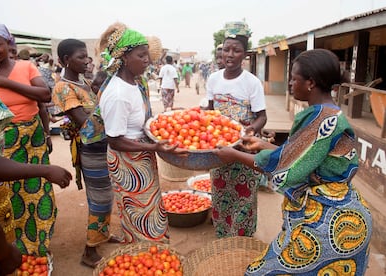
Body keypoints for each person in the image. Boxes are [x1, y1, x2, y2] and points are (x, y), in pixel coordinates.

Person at [214, 49, 373, 275]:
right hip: (346, 212)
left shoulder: (320, 119)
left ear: (310, 83)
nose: (290, 83)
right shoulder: (330, 112)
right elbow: (301, 155)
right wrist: (260, 144)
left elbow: (286, 169)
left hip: (331, 223)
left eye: (294, 78)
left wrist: (234, 155)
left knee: (263, 271)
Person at [0, 22, 71, 276]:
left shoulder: (20, 71)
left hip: (28, 143)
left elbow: (43, 96)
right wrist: (4, 251)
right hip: (0, 162)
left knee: (33, 198)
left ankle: (34, 245)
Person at [98, 22, 185, 244]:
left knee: (149, 208)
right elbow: (115, 140)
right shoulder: (117, 93)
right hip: (128, 162)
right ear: (124, 57)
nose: (147, 60)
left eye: (147, 55)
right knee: (139, 213)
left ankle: (150, 252)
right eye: (141, 55)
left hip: (141, 157)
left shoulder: (135, 84)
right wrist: (154, 147)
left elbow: (141, 122)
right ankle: (144, 255)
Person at [53, 38, 118, 268]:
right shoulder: (63, 88)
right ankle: (89, 251)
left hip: (102, 146)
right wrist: (108, 105)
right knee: (99, 198)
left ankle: (103, 234)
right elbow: (84, 123)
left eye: (87, 56)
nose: (87, 61)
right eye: (81, 57)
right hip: (90, 149)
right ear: (65, 60)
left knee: (106, 195)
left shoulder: (81, 81)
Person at [205, 22, 267, 238]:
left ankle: (241, 241)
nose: (229, 54)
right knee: (221, 194)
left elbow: (262, 116)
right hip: (219, 150)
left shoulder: (252, 83)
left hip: (244, 151)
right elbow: (211, 112)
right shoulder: (213, 79)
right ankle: (223, 238)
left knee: (244, 198)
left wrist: (249, 131)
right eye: (226, 49)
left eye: (236, 50)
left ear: (245, 54)